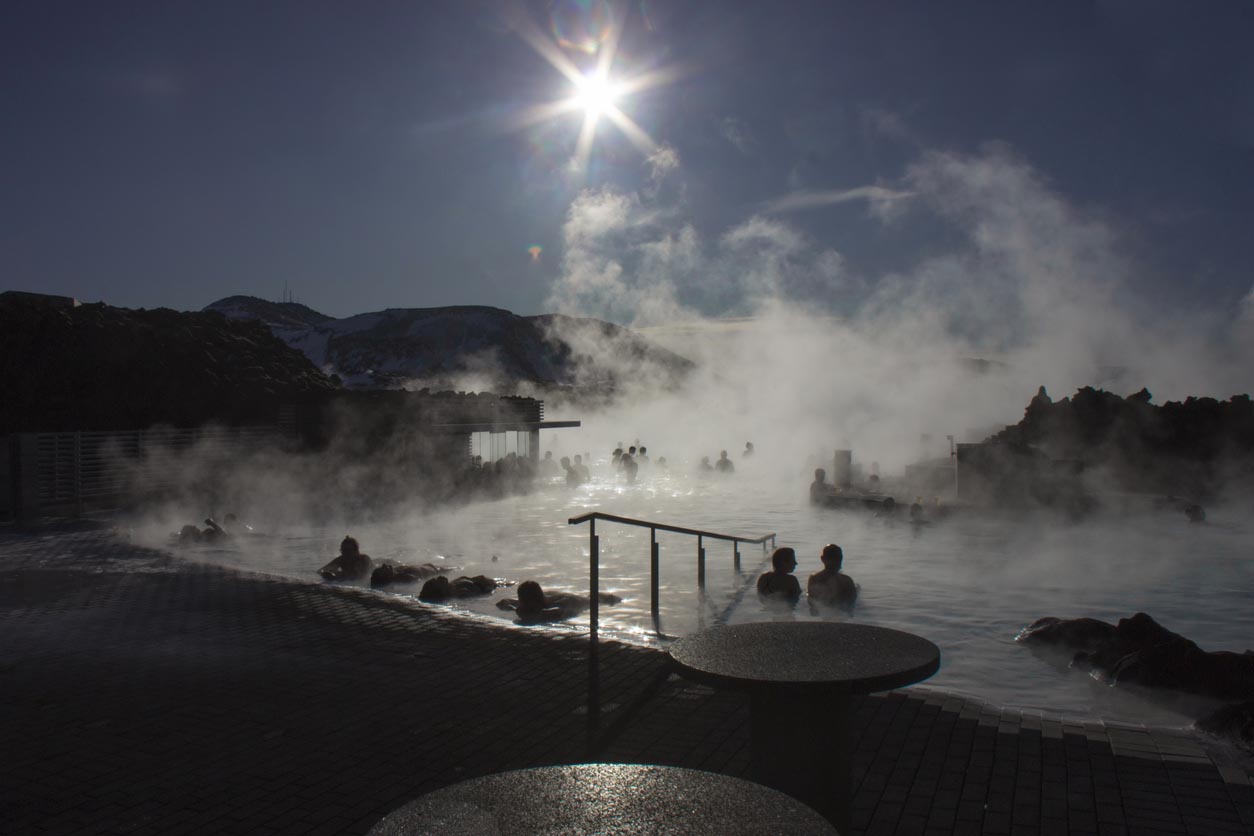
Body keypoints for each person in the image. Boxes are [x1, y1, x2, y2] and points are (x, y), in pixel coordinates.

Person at [496, 580, 622, 624]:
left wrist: (524, 613)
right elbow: (504, 602)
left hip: (589, 601)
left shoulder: (560, 603)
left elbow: (558, 613)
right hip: (574, 597)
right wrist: (513, 608)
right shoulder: (530, 602)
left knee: (603, 600)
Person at [807, 543, 857, 608]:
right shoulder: (846, 580)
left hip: (822, 613)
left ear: (822, 559)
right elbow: (852, 604)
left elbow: (811, 600)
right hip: (842, 614)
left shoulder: (814, 578)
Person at [417, 574, 499, 601]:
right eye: (437, 581)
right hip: (485, 585)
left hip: (480, 582)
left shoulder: (451, 586)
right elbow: (481, 593)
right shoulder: (460, 593)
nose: (439, 577)